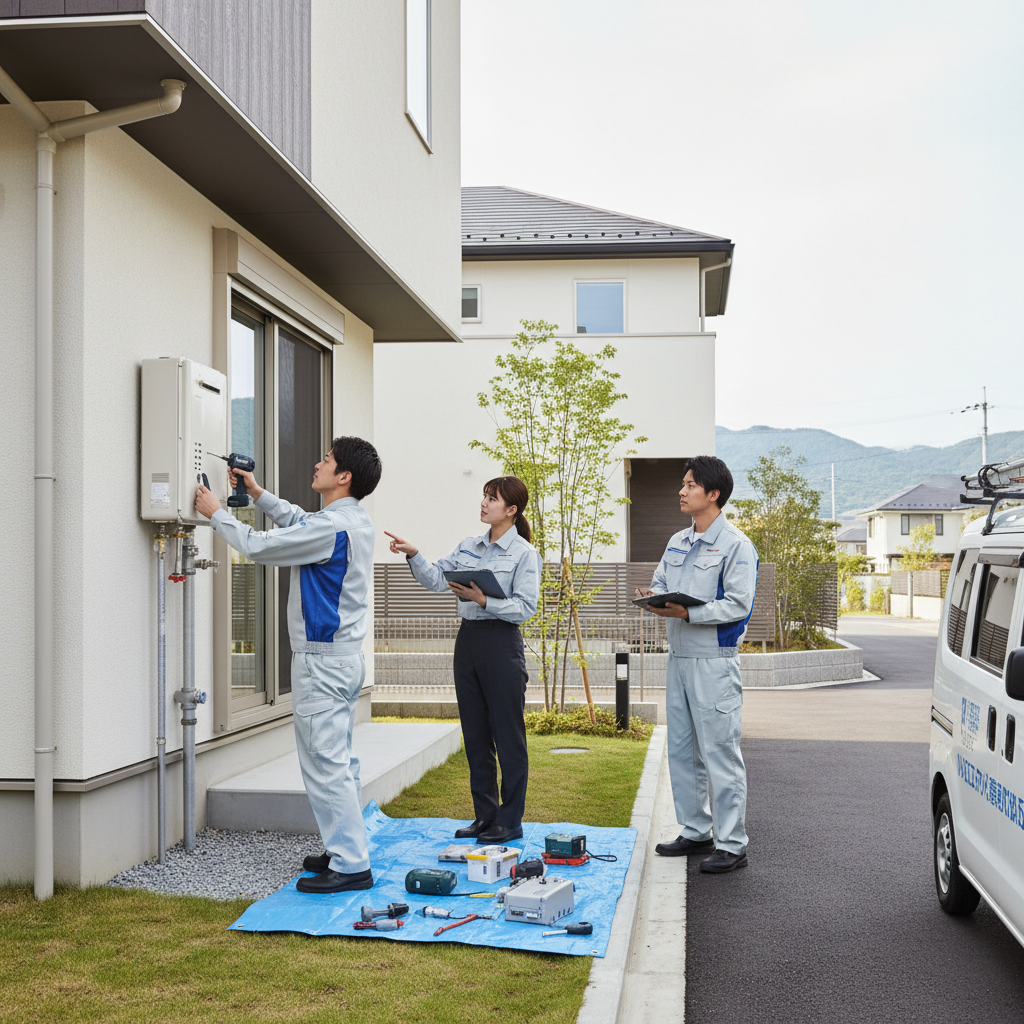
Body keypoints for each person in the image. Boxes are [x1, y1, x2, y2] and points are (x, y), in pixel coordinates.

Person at [194, 436, 382, 894]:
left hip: (322, 664)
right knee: (339, 762)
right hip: (343, 660)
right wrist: (256, 493)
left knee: (325, 764)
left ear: (344, 477)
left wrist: (216, 512)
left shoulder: (332, 528)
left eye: (326, 460)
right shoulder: (351, 520)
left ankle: (352, 865)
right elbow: (301, 521)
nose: (317, 464)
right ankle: (345, 849)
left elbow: (259, 547)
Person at [385, 476, 540, 844]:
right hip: (468, 641)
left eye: (493, 499)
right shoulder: (468, 546)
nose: (484, 503)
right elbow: (438, 580)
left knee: (508, 734)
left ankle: (510, 819)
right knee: (475, 734)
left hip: (501, 644)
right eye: (484, 497)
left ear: (512, 510)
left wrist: (485, 600)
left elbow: (525, 607)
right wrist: (413, 553)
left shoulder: (523, 554)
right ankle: (485, 816)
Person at [636, 456, 757, 874]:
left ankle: (732, 843)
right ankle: (695, 829)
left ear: (713, 494)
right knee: (683, 750)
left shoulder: (737, 545)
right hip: (679, 658)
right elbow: (663, 582)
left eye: (690, 485)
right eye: (683, 484)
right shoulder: (677, 541)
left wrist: (689, 613)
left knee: (720, 752)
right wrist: (655, 596)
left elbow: (739, 605)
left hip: (714, 661)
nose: (682, 491)